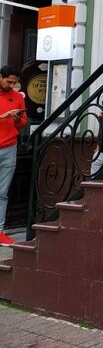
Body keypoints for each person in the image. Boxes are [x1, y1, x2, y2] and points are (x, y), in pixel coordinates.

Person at [0, 64, 28, 246]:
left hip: (9, 148)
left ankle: (0, 232)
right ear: (0, 77)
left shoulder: (17, 97)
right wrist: (4, 115)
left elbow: (23, 122)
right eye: (9, 82)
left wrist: (17, 119)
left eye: (15, 83)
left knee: (2, 193)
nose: (11, 86)